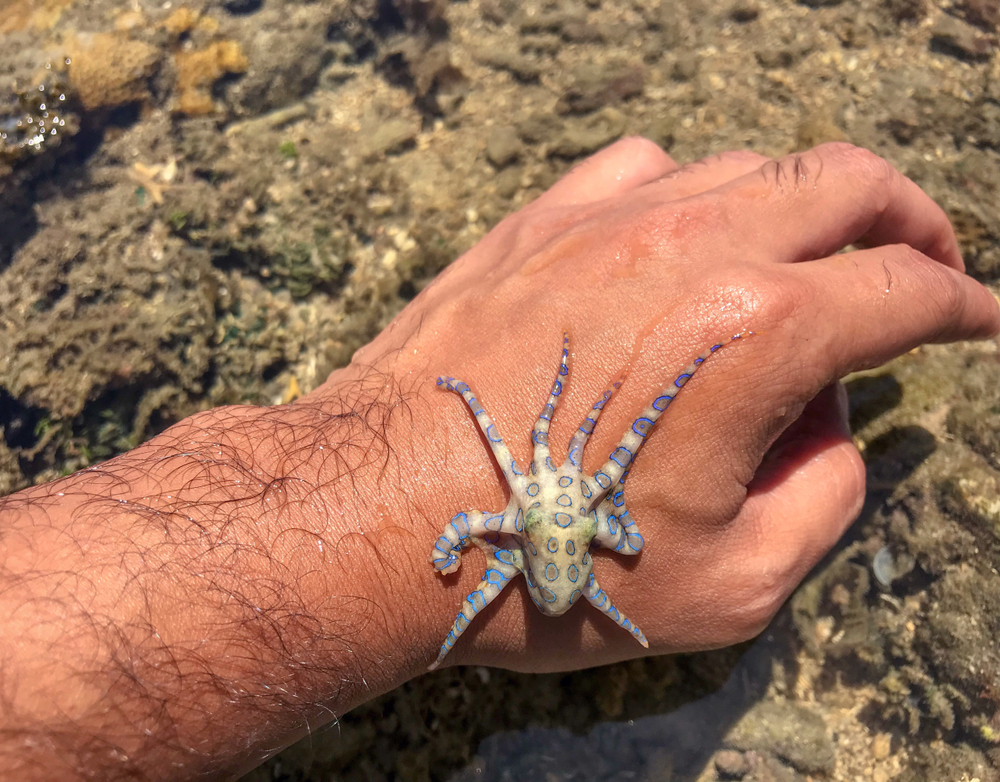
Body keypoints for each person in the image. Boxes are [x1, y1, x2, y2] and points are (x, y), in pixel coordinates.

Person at [0, 139, 996, 781]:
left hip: (553, 556)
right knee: (600, 437)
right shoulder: (559, 505)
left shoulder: (524, 512)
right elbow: (591, 457)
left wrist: (445, 524)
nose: (551, 470)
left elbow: (499, 484)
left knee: (569, 446)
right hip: (566, 561)